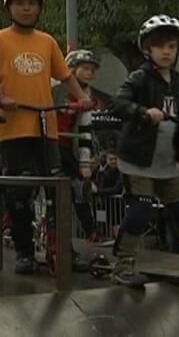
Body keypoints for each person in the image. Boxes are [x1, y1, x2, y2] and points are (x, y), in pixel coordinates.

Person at [0, 0, 92, 275]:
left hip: (46, 127)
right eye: (20, 4)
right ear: (9, 8)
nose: (26, 8)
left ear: (39, 8)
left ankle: (61, 248)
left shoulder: (47, 41)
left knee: (57, 190)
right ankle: (24, 252)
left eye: (31, 4)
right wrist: (0, 97)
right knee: (20, 193)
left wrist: (81, 98)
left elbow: (66, 76)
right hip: (11, 128)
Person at [107, 14, 179, 286]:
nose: (167, 52)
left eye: (172, 46)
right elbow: (117, 104)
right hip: (138, 160)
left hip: (166, 162)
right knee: (141, 210)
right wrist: (142, 111)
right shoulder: (139, 78)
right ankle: (123, 264)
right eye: (160, 46)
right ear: (147, 50)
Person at [52, 49, 110, 245]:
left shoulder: (86, 96)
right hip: (48, 145)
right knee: (49, 192)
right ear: (71, 69)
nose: (90, 73)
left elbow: (85, 130)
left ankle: (91, 232)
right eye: (85, 68)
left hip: (68, 148)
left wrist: (84, 162)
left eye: (92, 70)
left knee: (80, 188)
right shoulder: (55, 88)